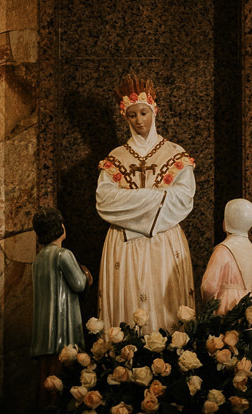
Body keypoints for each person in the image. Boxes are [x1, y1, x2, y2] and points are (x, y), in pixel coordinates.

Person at [96, 73, 196, 333]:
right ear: (125, 117)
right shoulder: (115, 157)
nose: (139, 120)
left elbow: (184, 198)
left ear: (154, 112)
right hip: (124, 245)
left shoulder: (175, 153)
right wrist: (157, 198)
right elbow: (104, 200)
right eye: (132, 115)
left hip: (164, 242)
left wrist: (132, 203)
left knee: (165, 305)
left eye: (143, 113)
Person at [31, 207, 92, 404]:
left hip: (42, 327)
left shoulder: (38, 259)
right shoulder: (63, 255)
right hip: (61, 327)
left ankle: (43, 406)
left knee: (45, 374)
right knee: (62, 373)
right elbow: (79, 283)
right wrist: (86, 275)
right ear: (61, 228)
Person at [201, 198, 252, 316]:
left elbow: (208, 287)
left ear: (227, 221)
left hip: (227, 304)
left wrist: (209, 307)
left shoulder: (223, 250)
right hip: (248, 308)